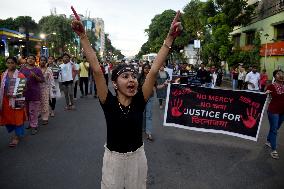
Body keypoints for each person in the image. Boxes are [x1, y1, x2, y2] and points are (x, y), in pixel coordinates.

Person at [71, 10, 182, 189]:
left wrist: (169, 38)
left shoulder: (140, 100)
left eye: (133, 76)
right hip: (113, 161)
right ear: (114, 84)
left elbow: (153, 70)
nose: (131, 79)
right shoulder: (108, 102)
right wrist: (83, 36)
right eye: (125, 76)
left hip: (137, 159)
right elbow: (97, 70)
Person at [0, 57, 27, 147]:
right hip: (5, 101)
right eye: (8, 63)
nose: (10, 65)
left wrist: (18, 92)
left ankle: (16, 136)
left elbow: (25, 88)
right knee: (8, 118)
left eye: (12, 63)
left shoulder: (20, 75)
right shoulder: (3, 75)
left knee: (18, 118)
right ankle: (17, 133)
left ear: (16, 64)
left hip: (17, 100)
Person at [20, 55, 44, 135]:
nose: (30, 60)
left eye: (32, 59)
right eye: (29, 58)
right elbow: (18, 79)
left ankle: (34, 126)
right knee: (27, 110)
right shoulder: (22, 69)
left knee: (33, 110)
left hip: (34, 92)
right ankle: (31, 123)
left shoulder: (37, 70)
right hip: (25, 93)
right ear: (27, 60)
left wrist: (35, 76)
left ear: (35, 61)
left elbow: (42, 80)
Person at [265, 70, 284, 159]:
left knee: (275, 128)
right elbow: (264, 94)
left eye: (282, 74)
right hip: (273, 111)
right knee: (274, 130)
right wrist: (266, 92)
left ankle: (268, 141)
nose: (281, 75)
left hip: (282, 112)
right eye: (278, 74)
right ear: (274, 76)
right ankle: (273, 150)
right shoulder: (271, 86)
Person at [138, 63, 154, 141]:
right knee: (142, 115)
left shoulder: (152, 77)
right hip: (141, 99)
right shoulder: (140, 78)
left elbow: (157, 87)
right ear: (143, 69)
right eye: (145, 68)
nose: (147, 69)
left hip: (150, 98)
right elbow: (136, 88)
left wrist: (165, 84)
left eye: (148, 68)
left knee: (149, 115)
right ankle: (142, 129)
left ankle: (149, 133)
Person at [39, 56, 55, 125]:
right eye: (41, 60)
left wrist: (53, 89)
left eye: (44, 60)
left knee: (45, 103)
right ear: (39, 61)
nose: (42, 61)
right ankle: (38, 114)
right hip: (37, 89)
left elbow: (51, 80)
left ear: (46, 62)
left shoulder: (49, 70)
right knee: (38, 103)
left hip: (45, 88)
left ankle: (45, 118)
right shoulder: (36, 69)